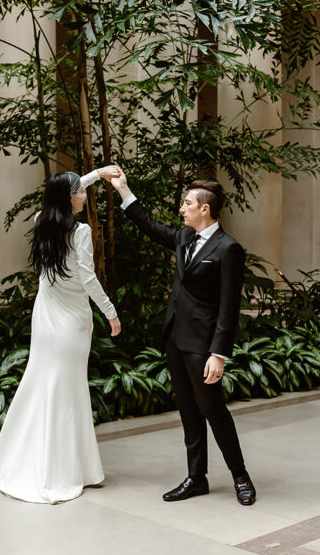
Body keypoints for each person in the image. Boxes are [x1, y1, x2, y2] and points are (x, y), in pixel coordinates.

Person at [107, 170, 256, 506]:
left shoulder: (228, 248)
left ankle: (240, 476)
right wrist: (124, 190)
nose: (181, 208)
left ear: (205, 209)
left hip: (204, 345)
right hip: (175, 338)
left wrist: (218, 353)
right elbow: (149, 225)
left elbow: (229, 306)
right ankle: (196, 478)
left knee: (213, 410)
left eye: (187, 203)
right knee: (188, 412)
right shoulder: (185, 238)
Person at [0, 167, 121, 504]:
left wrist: (98, 174)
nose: (84, 195)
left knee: (43, 380)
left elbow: (60, 191)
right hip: (73, 320)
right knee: (66, 389)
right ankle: (59, 470)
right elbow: (89, 280)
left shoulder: (41, 221)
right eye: (80, 192)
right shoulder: (79, 231)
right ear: (69, 198)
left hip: (47, 316)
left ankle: (26, 458)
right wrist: (111, 313)